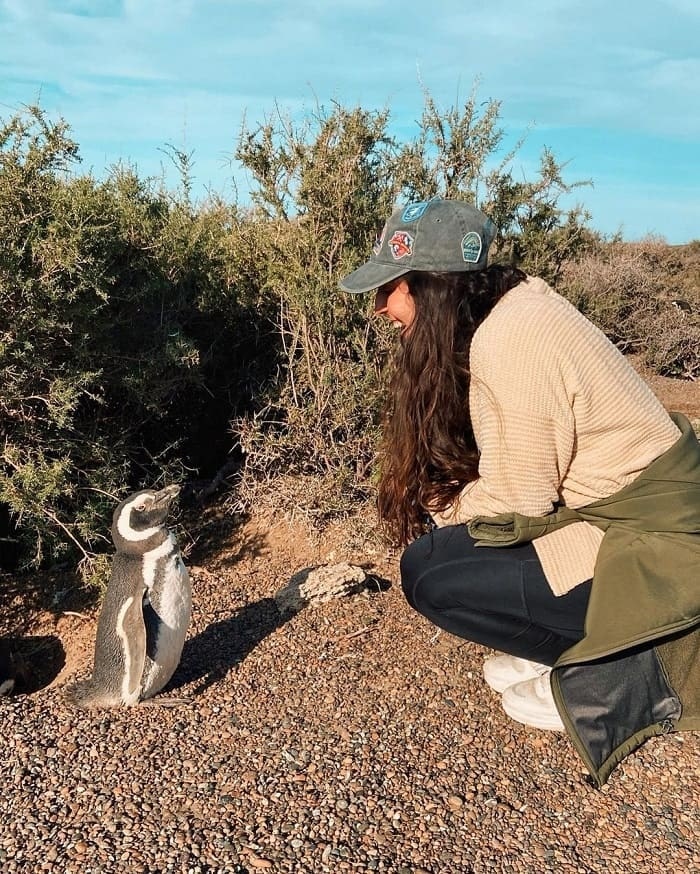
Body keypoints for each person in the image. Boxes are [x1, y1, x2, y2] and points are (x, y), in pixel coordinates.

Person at [339, 197, 700, 786]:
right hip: (634, 521)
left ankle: (613, 665)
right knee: (447, 552)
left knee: (432, 573)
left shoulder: (513, 338)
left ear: (432, 286)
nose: (380, 306)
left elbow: (519, 503)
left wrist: (445, 510)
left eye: (393, 286)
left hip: (658, 549)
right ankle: (576, 643)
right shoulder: (516, 310)